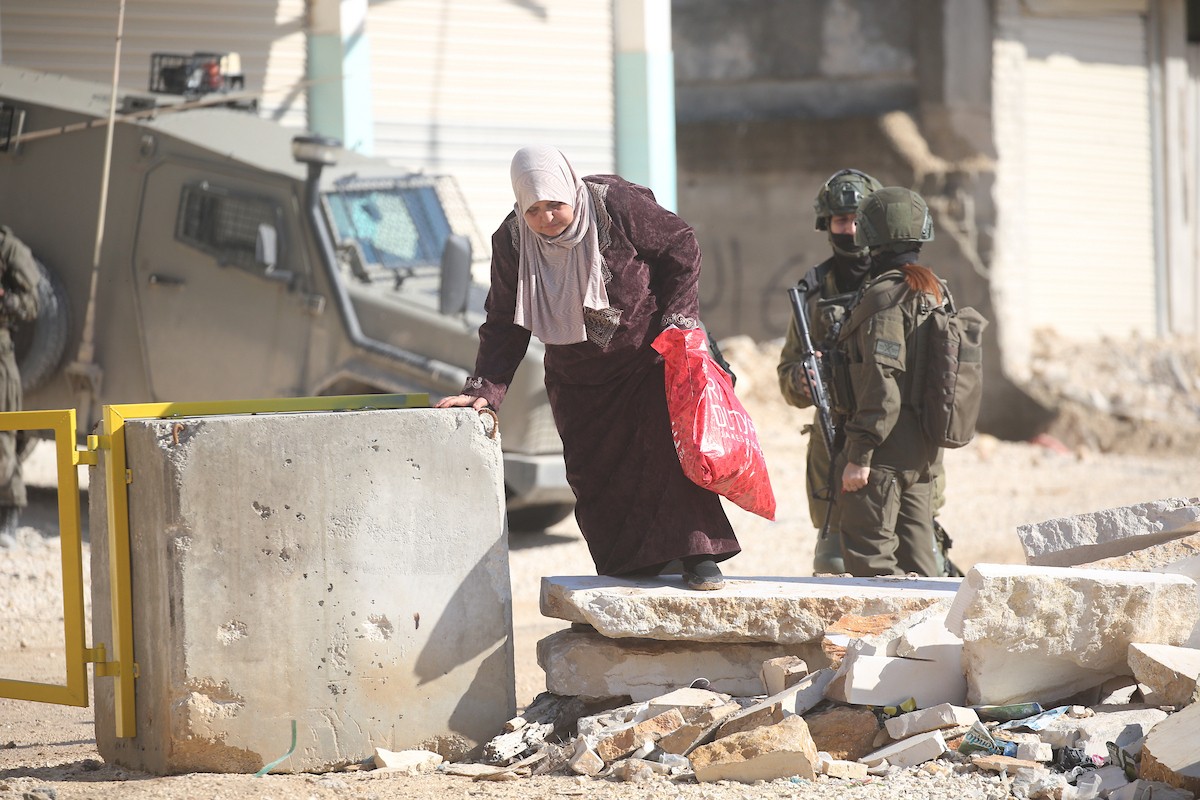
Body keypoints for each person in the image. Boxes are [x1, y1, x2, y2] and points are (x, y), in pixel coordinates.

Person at [435, 146, 739, 590]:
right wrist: (486, 388)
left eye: (555, 205)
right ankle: (632, 566)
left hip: (647, 359)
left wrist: (679, 318)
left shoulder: (615, 205)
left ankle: (698, 556)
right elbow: (504, 320)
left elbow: (680, 245)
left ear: (571, 193)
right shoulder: (513, 240)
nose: (546, 219)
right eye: (533, 210)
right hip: (577, 377)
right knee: (594, 473)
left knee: (668, 456)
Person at [829, 186, 947, 577]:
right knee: (924, 569)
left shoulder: (887, 296)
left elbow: (882, 379)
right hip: (924, 452)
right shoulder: (935, 290)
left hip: (883, 455)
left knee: (871, 564)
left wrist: (859, 456)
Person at [777, 168, 881, 575]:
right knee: (834, 566)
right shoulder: (813, 292)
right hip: (832, 444)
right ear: (827, 225)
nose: (851, 230)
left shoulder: (897, 284)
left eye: (858, 220)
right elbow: (787, 371)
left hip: (888, 442)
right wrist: (801, 379)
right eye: (841, 220)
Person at [0, 226, 41, 540]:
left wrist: (5, 299)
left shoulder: (10, 250)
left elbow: (32, 305)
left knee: (3, 434)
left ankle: (8, 516)